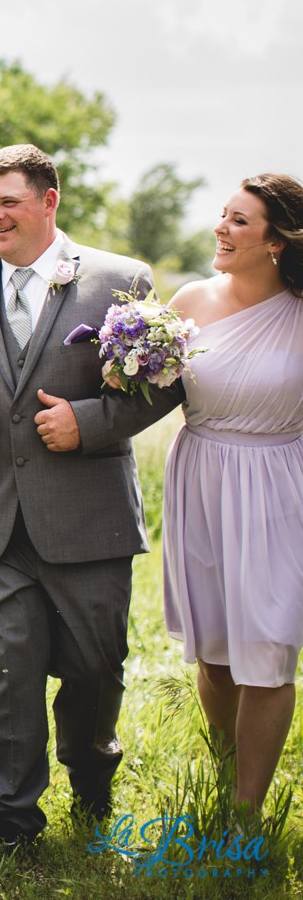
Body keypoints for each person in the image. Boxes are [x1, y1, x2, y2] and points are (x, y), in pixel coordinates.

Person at [0, 144, 183, 853]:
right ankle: (10, 821)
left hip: (87, 518)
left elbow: (160, 382)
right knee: (6, 672)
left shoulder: (117, 279)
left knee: (93, 670)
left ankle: (91, 780)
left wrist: (89, 422)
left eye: (7, 201)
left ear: (48, 201)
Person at [161, 173, 303, 816]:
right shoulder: (190, 299)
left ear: (278, 241)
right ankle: (225, 767)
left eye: (240, 221)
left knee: (268, 647)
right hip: (202, 476)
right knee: (216, 651)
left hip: (280, 485)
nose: (221, 227)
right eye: (223, 215)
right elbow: (142, 390)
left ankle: (247, 810)